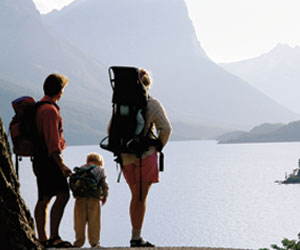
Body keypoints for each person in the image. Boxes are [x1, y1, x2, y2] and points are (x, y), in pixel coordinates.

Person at [116, 68, 172, 247]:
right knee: (140, 198)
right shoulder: (152, 104)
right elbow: (166, 129)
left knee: (135, 196)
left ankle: (135, 235)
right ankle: (136, 237)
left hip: (125, 157)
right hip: (145, 156)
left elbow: (111, 129)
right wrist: (158, 146)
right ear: (148, 84)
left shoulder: (120, 103)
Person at [32, 73, 73, 248]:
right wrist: (61, 164)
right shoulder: (50, 111)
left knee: (44, 197)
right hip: (49, 160)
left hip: (40, 159)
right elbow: (52, 142)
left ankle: (43, 238)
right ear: (59, 91)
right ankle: (53, 237)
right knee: (62, 195)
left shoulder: (39, 107)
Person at [73, 152, 109, 248]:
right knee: (94, 222)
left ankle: (78, 242)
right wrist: (105, 196)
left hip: (80, 199)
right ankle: (94, 243)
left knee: (79, 222)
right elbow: (104, 185)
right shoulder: (100, 170)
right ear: (100, 162)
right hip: (94, 199)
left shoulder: (80, 169)